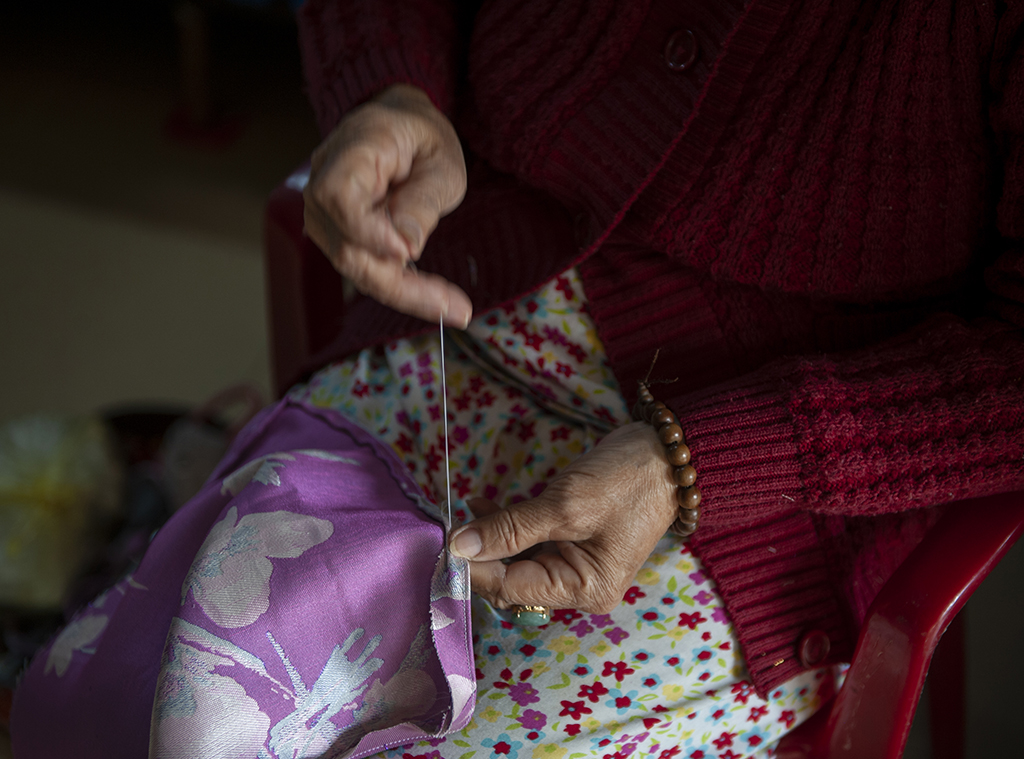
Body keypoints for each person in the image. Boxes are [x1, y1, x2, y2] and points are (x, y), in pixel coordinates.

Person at [11, 1, 1024, 757]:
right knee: (158, 701)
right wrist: (393, 90)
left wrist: (697, 462)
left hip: (753, 493)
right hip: (457, 318)